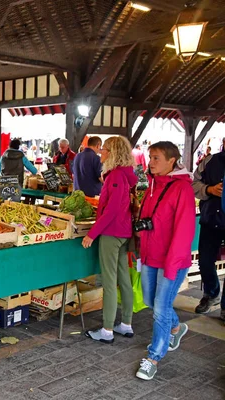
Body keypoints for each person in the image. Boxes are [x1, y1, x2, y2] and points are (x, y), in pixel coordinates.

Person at [135, 141, 195, 380]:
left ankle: (153, 357)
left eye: (156, 158)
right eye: (150, 157)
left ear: (172, 161)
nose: (151, 162)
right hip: (151, 254)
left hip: (172, 259)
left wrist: (173, 263)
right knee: (151, 300)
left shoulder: (183, 189)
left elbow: (184, 230)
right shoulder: (152, 185)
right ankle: (176, 327)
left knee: (160, 307)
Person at [82, 136, 138, 344]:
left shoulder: (115, 176)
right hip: (124, 232)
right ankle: (126, 324)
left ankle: (107, 329)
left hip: (112, 233)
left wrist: (92, 233)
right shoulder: (126, 174)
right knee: (124, 280)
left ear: (113, 153)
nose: (101, 153)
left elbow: (112, 210)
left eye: (104, 150)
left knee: (109, 281)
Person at [192, 137, 225, 319]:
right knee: (205, 261)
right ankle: (211, 293)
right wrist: (209, 190)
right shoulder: (210, 161)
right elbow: (193, 184)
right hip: (211, 217)